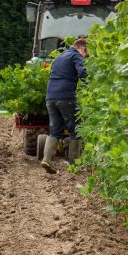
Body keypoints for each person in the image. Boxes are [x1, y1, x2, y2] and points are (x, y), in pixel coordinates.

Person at [40, 36, 88, 173]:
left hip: (50, 97)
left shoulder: (59, 57)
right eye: (86, 54)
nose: (85, 57)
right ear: (82, 48)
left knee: (55, 129)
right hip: (66, 96)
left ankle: (47, 159)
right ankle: (74, 166)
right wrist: (90, 86)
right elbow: (82, 73)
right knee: (76, 128)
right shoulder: (75, 55)